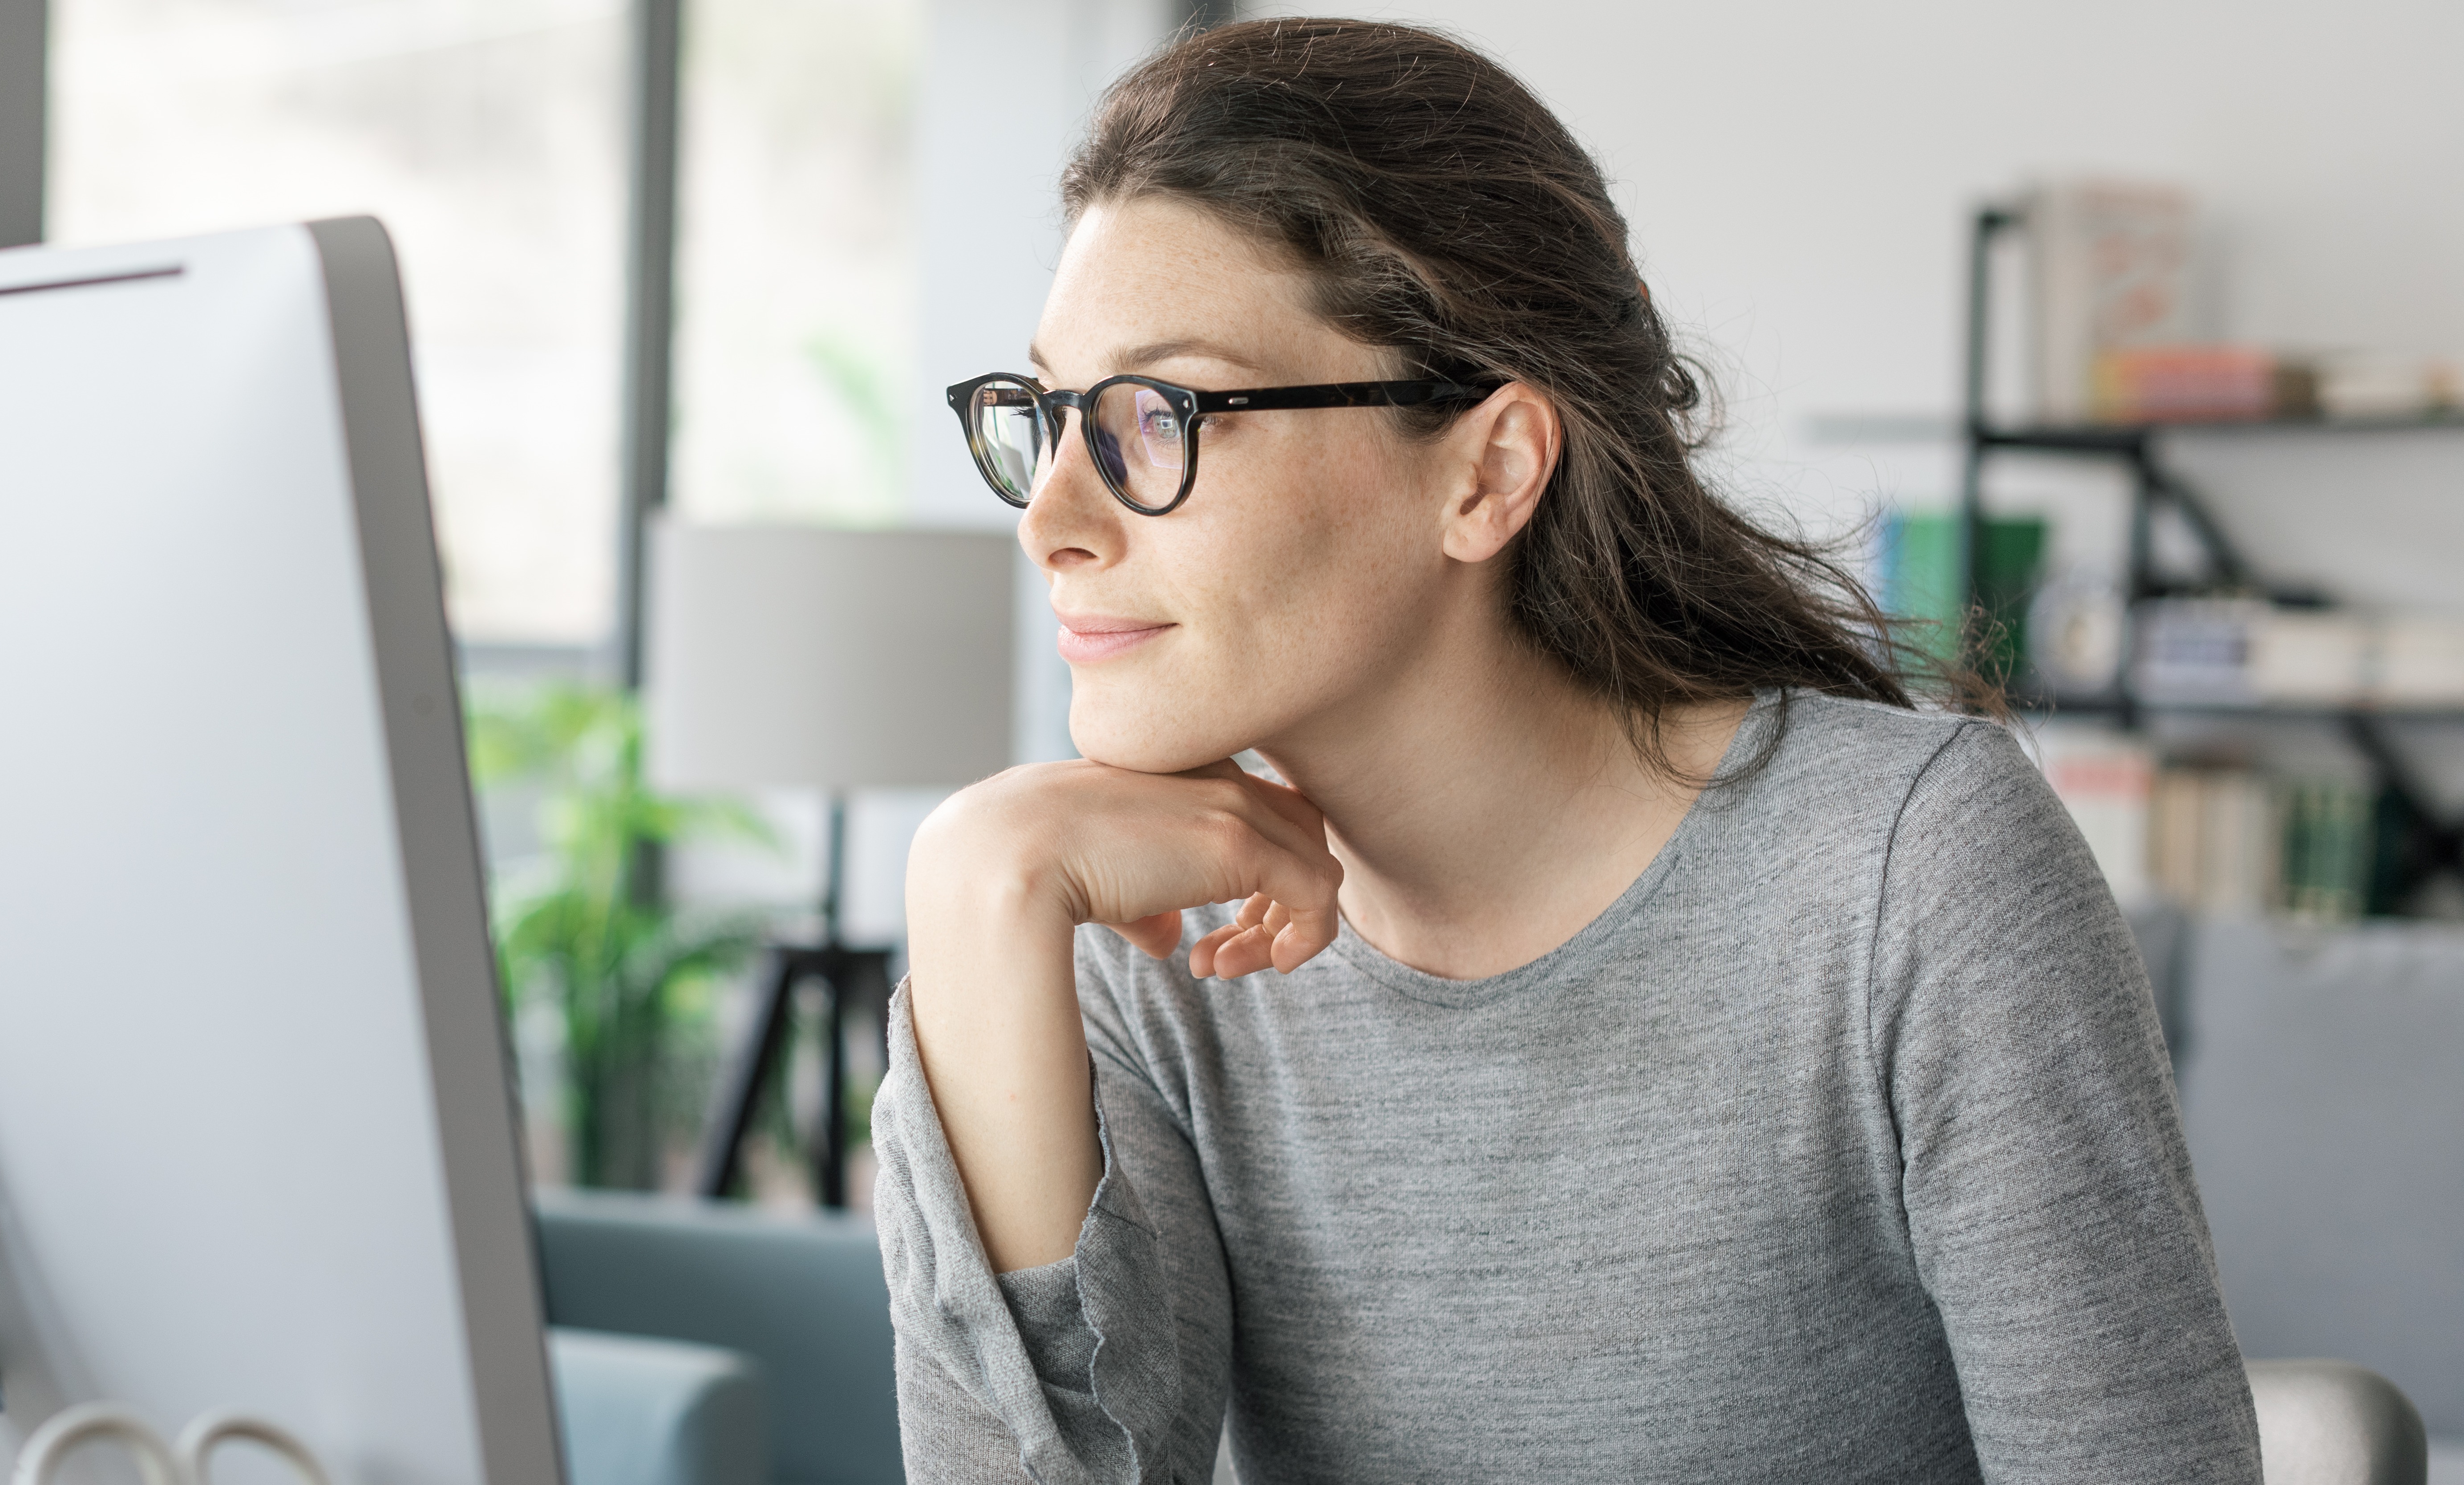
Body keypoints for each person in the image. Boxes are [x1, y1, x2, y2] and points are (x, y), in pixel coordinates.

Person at [873, 18, 2256, 1485]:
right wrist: (976, 893)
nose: (1053, 519)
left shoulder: (1909, 880)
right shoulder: (1139, 937)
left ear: (1489, 470)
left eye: (1159, 414)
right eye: (1051, 416)